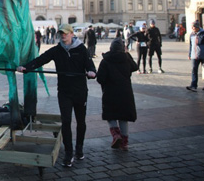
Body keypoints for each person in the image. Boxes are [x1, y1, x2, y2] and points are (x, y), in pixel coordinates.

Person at [17, 24, 96, 167]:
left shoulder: (81, 49)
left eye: (65, 33)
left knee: (81, 122)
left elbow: (90, 65)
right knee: (66, 122)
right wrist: (26, 68)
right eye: (61, 33)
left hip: (80, 92)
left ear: (72, 34)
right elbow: (41, 60)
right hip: (64, 92)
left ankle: (79, 149)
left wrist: (91, 72)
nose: (63, 35)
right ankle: (68, 153)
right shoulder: (57, 50)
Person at [96, 37, 138, 151]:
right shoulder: (126, 59)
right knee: (123, 117)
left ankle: (116, 135)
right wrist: (127, 54)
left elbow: (100, 79)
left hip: (110, 92)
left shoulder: (106, 60)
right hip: (125, 93)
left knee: (111, 115)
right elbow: (135, 67)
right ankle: (124, 143)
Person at [186, 21, 204, 92]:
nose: (192, 28)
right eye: (192, 27)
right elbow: (191, 45)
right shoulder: (192, 35)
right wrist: (189, 54)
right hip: (194, 56)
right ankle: (193, 85)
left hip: (203, 56)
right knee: (194, 70)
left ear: (197, 27)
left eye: (193, 27)